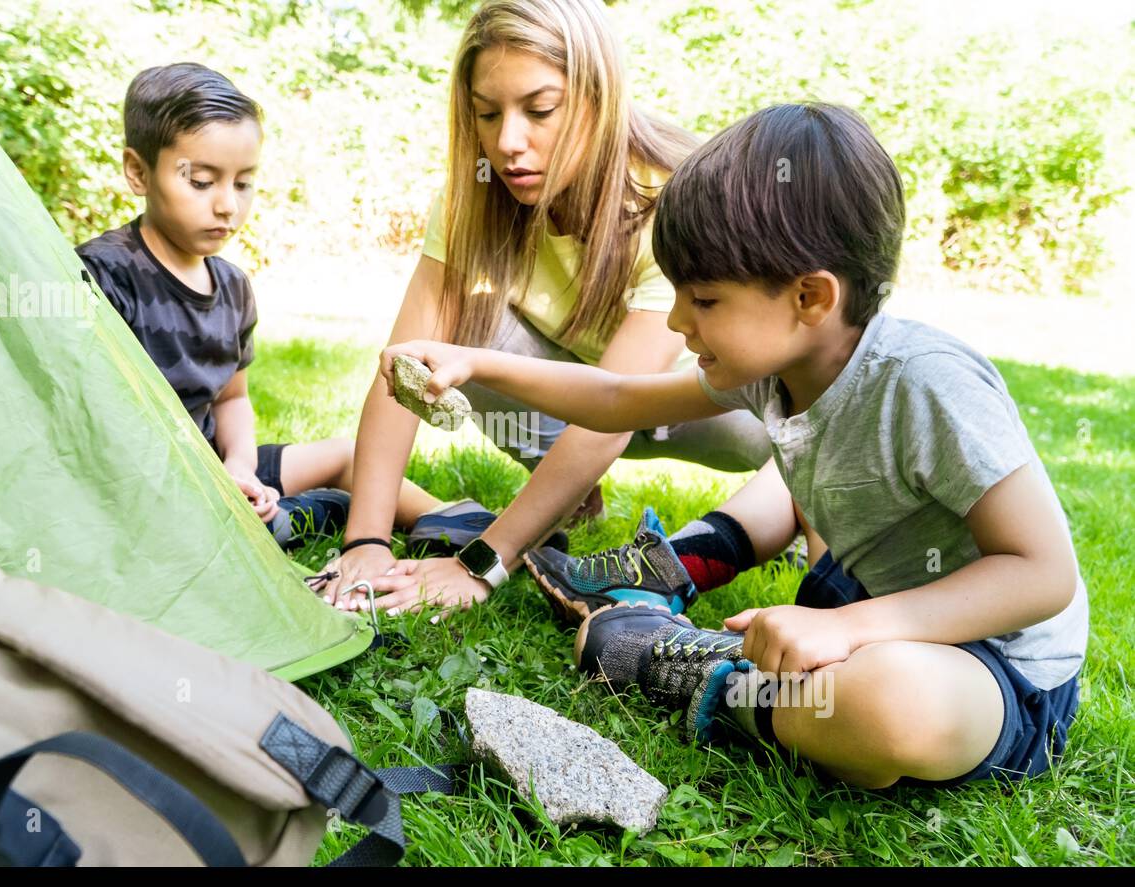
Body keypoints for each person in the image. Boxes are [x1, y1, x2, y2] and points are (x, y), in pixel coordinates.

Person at [379, 103, 1088, 789]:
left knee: (887, 708)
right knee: (853, 680)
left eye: (706, 300)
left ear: (810, 297)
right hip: (859, 608)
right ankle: (708, 633)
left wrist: (855, 628)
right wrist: (478, 363)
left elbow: (1041, 573)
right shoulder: (772, 371)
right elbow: (618, 398)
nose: (679, 320)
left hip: (998, 663)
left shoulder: (927, 383)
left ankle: (697, 668)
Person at [323, 0, 770, 613]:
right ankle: (569, 492)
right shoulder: (473, 196)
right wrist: (366, 541)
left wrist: (482, 562)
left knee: (768, 430)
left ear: (598, 97)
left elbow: (612, 406)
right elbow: (405, 366)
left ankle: (791, 499)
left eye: (540, 110)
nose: (508, 142)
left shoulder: (674, 197)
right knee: (459, 343)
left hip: (709, 403)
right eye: (487, 113)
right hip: (588, 389)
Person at [76, 63, 443, 548]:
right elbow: (93, 420)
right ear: (138, 172)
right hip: (150, 481)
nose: (227, 205)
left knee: (347, 455)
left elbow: (232, 398)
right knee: (216, 531)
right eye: (202, 181)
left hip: (219, 466)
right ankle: (312, 514)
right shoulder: (103, 274)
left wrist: (240, 467)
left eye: (243, 183)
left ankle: (465, 524)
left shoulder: (231, 285)